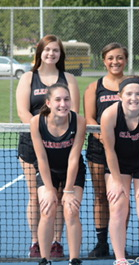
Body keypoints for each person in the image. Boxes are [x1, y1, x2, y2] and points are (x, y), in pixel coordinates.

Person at [16, 34, 80, 258]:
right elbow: (23, 111)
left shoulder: (68, 78)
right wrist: (40, 132)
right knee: (38, 195)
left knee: (62, 194)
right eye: (47, 50)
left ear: (60, 54)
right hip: (32, 144)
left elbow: (74, 112)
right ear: (39, 53)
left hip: (63, 144)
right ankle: (36, 242)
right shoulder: (28, 78)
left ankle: (57, 241)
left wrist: (57, 133)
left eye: (55, 50)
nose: (51, 54)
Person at [100, 76, 139, 265]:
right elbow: (109, 150)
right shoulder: (109, 115)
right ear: (120, 96)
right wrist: (116, 181)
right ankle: (120, 259)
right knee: (117, 207)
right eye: (129, 94)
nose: (134, 98)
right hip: (119, 164)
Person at [30, 83, 86, 265]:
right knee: (47, 209)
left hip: (73, 170)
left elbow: (74, 158)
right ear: (48, 102)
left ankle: (74, 259)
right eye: (58, 100)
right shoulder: (37, 122)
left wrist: (68, 191)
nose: (63, 104)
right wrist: (49, 189)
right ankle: (45, 259)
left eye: (67, 99)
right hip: (48, 171)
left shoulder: (79, 121)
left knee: (71, 211)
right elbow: (42, 159)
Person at [84, 42, 128, 257]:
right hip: (98, 150)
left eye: (119, 57)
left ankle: (121, 242)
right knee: (101, 195)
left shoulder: (132, 84)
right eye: (111, 58)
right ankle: (102, 243)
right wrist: (103, 136)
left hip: (127, 149)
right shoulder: (95, 87)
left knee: (121, 197)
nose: (115, 62)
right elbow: (90, 117)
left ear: (125, 60)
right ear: (104, 61)